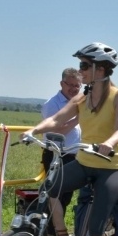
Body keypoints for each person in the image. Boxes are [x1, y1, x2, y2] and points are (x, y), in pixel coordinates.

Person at [21, 42, 118, 236]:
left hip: (108, 166)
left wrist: (109, 143)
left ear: (100, 69)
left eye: (84, 66)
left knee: (95, 228)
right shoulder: (82, 97)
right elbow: (58, 119)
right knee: (49, 186)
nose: (80, 72)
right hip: (83, 163)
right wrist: (34, 130)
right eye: (80, 65)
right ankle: (57, 234)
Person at [41, 67, 83, 223]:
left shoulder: (78, 103)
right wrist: (78, 117)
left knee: (65, 197)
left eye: (76, 86)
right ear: (61, 83)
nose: (73, 89)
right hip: (56, 155)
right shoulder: (53, 104)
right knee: (55, 197)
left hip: (72, 155)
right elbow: (58, 131)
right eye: (69, 84)